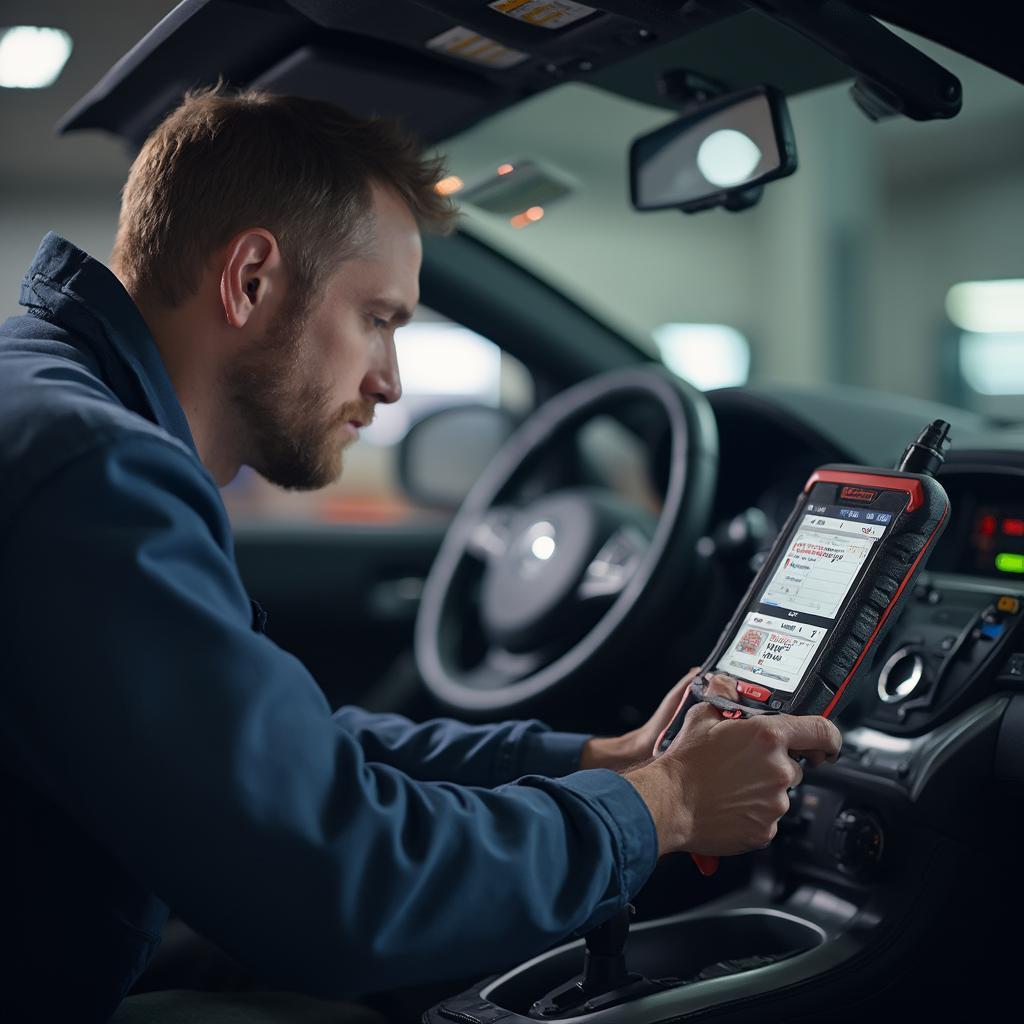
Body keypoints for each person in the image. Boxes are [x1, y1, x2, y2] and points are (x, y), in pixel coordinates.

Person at [0, 88, 841, 1023]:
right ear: (249, 280)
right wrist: (663, 808)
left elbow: (278, 763)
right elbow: (335, 883)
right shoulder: (94, 473)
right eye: (379, 318)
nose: (391, 383)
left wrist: (602, 757)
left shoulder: (50, 406)